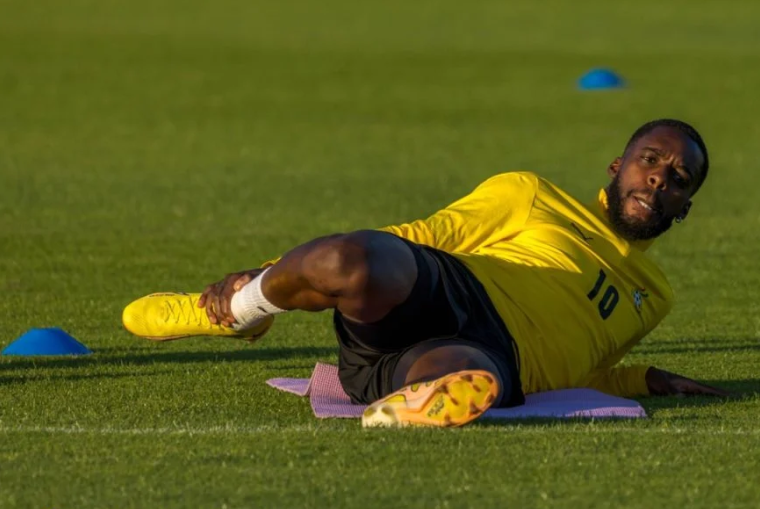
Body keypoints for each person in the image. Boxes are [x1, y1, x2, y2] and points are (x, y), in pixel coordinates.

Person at [123, 119, 729, 428]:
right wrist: (269, 268)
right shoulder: (532, 194)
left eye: (678, 179)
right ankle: (243, 310)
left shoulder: (655, 299)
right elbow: (426, 236)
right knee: (352, 259)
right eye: (651, 161)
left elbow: (587, 369)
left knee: (469, 382)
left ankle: (406, 409)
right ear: (619, 165)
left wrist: (642, 379)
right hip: (450, 287)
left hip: (488, 353)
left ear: (685, 207)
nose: (659, 179)